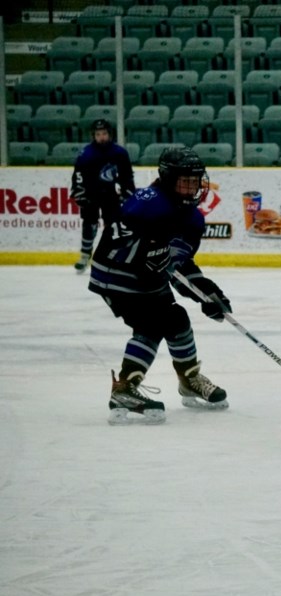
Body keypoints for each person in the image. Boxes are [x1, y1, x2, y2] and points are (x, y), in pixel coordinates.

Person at [88, 148, 231, 425]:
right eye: (185, 180)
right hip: (116, 275)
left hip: (148, 278)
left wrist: (206, 293)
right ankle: (124, 390)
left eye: (196, 179)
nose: (193, 186)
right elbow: (117, 246)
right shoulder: (147, 203)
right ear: (167, 178)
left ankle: (188, 379)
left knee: (175, 320)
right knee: (152, 325)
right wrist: (149, 256)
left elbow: (177, 262)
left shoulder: (191, 217)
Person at [70, 119, 135, 274]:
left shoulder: (119, 152)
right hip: (90, 194)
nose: (102, 137)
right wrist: (79, 193)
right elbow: (78, 175)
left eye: (104, 133)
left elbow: (126, 175)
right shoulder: (86, 153)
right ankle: (85, 255)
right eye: (98, 134)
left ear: (109, 134)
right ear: (94, 136)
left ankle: (109, 256)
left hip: (111, 195)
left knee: (112, 226)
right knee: (89, 224)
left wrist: (128, 192)